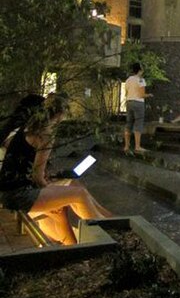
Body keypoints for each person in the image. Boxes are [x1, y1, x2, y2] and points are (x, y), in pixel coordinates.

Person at [0, 93, 111, 245]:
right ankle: (106, 236)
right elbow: (37, 178)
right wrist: (49, 188)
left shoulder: (29, 128)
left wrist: (52, 183)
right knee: (79, 194)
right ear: (60, 114)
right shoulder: (45, 135)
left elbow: (29, 170)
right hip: (19, 195)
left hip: (10, 191)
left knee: (68, 194)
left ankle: (81, 241)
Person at [123, 62, 152, 154]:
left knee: (129, 123)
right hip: (138, 103)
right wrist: (149, 95)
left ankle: (126, 146)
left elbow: (127, 92)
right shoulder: (141, 80)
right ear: (140, 70)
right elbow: (141, 95)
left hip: (129, 102)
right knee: (138, 123)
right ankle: (137, 146)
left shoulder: (128, 80)